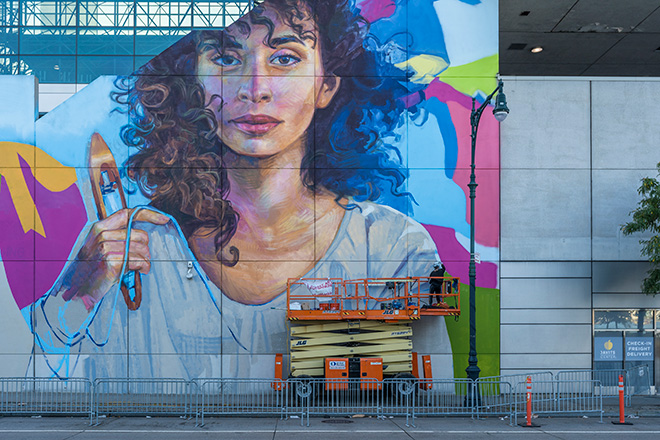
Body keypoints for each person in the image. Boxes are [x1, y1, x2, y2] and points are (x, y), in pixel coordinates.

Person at [31, 0, 451, 379]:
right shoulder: (130, 253)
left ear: (327, 84)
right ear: (190, 79)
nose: (255, 88)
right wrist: (75, 291)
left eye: (285, 58)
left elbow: (431, 393)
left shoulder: (392, 247)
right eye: (227, 57)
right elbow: (35, 384)